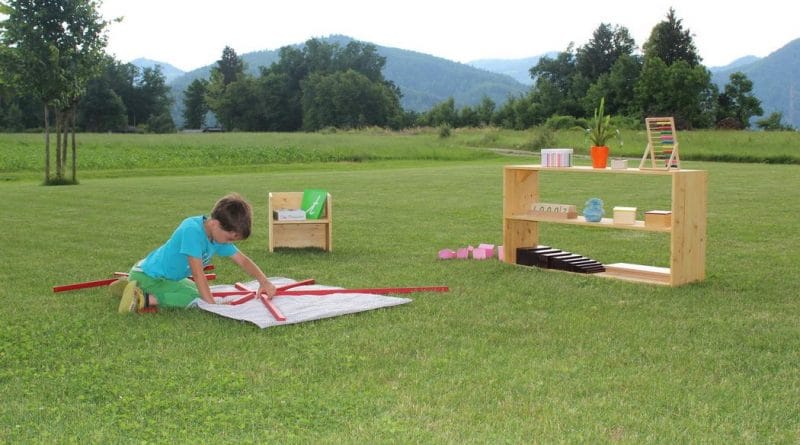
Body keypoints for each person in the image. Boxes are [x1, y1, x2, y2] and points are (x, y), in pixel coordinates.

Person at [113, 193, 277, 313]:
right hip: (150, 276)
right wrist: (212, 306)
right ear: (214, 224)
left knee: (198, 292)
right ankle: (143, 298)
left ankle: (128, 286)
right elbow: (199, 275)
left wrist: (264, 281)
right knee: (194, 299)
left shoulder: (217, 236)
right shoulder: (191, 230)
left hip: (157, 276)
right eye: (229, 238)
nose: (229, 243)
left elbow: (242, 260)